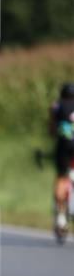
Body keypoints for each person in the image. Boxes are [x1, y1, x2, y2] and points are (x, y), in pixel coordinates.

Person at [49, 82, 74, 233]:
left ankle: (60, 219)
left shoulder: (57, 106)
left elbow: (52, 131)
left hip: (64, 146)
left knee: (61, 178)